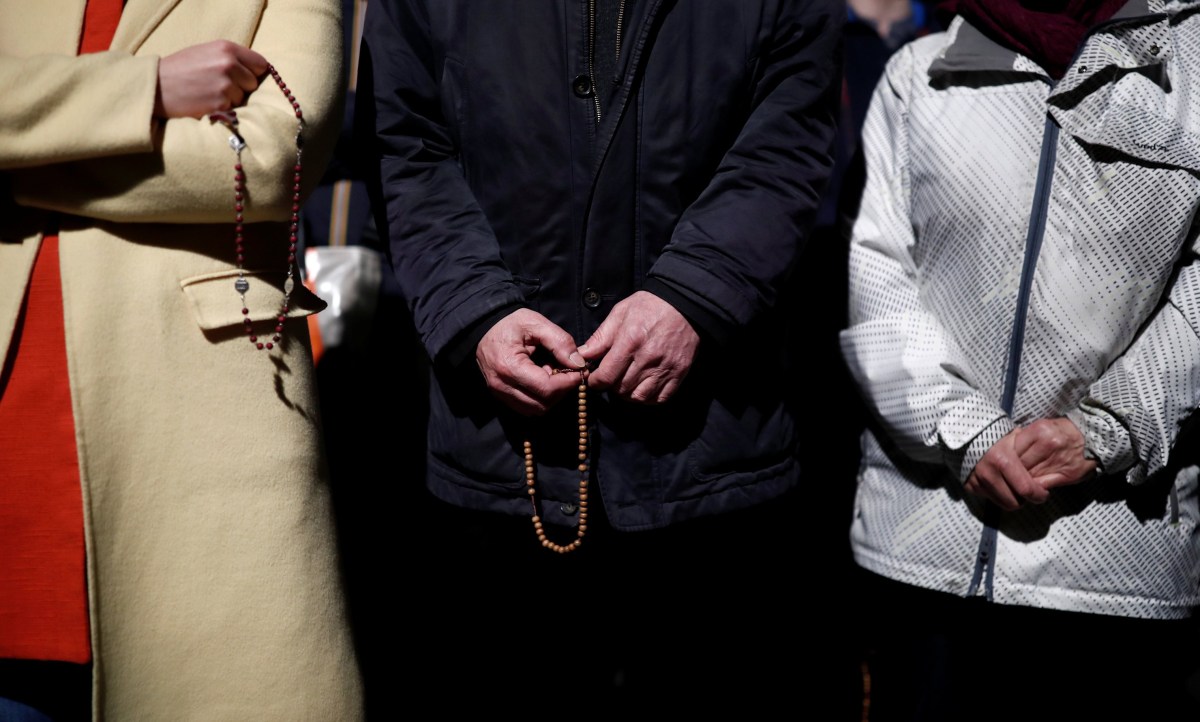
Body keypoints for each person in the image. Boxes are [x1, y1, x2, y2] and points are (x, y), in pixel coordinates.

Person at [358, 0, 843, 713]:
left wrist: (693, 297)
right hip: (501, 457)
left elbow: (785, 142)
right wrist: (478, 313)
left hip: (708, 452)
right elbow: (407, 144)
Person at [0, 1, 363, 719]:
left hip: (194, 426)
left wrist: (18, 163)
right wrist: (148, 91)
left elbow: (268, 160)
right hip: (16, 430)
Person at [840, 1, 1200, 719]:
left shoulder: (1191, 70)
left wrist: (1108, 429)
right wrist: (965, 431)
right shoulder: (922, 73)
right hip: (926, 549)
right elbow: (876, 275)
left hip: (1117, 564)